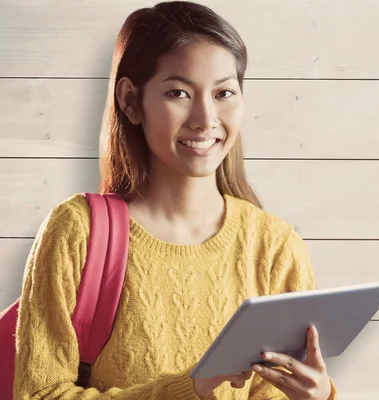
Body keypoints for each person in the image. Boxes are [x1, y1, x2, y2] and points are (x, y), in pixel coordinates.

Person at [13, 1, 337, 399]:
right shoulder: (77, 232)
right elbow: (39, 394)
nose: (205, 118)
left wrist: (318, 397)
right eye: (179, 92)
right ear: (130, 100)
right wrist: (190, 388)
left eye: (224, 93)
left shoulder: (274, 247)